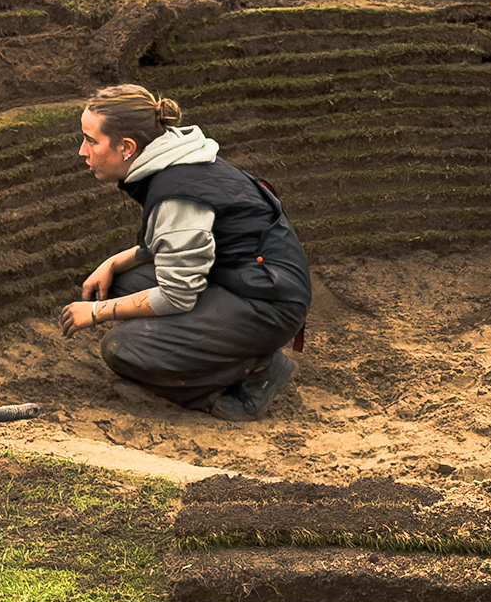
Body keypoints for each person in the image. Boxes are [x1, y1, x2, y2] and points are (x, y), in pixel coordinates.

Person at [60, 85, 311, 420]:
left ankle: (253, 373)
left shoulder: (176, 193)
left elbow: (177, 295)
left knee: (124, 349)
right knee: (124, 281)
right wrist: (113, 262)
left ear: (126, 148)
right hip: (244, 278)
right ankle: (236, 352)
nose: (82, 151)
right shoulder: (177, 160)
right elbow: (176, 242)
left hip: (267, 302)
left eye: (91, 140)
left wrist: (96, 313)